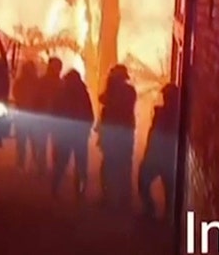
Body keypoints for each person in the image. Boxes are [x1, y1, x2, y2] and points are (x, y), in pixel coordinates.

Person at [49, 69, 94, 199]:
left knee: (61, 162)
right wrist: (86, 129)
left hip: (64, 133)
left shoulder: (61, 93)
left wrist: (55, 130)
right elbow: (89, 114)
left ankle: (55, 188)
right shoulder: (83, 93)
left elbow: (54, 113)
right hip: (79, 133)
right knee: (81, 164)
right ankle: (80, 192)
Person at [97, 64, 137, 208]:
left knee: (111, 165)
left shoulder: (115, 92)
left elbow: (105, 101)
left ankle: (111, 198)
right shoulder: (129, 91)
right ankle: (123, 198)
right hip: (124, 133)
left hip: (115, 133)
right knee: (122, 165)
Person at [139, 83, 180, 219]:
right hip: (165, 156)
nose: (164, 98)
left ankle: (155, 211)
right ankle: (162, 213)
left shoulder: (171, 115)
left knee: (146, 181)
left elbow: (155, 134)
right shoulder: (175, 114)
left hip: (161, 155)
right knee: (167, 188)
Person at [31, 57, 63, 175]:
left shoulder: (58, 83)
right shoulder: (57, 83)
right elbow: (35, 100)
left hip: (52, 118)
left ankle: (49, 167)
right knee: (44, 144)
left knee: (52, 144)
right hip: (46, 118)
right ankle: (43, 167)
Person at [11, 60, 40, 171]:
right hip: (31, 116)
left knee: (23, 142)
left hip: (23, 116)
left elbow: (16, 95)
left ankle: (21, 164)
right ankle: (33, 163)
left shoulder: (20, 82)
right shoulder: (36, 82)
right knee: (32, 142)